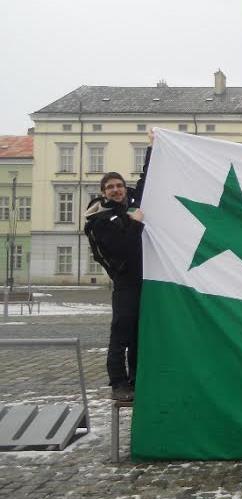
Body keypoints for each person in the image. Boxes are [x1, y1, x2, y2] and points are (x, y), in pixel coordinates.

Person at [84, 136, 151, 401]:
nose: (116, 190)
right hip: (125, 281)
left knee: (138, 332)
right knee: (122, 331)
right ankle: (118, 383)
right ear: (103, 192)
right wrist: (135, 224)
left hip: (143, 277)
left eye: (119, 185)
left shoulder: (129, 203)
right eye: (110, 187)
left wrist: (152, 149)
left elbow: (148, 181)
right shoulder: (100, 218)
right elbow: (120, 248)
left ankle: (135, 379)